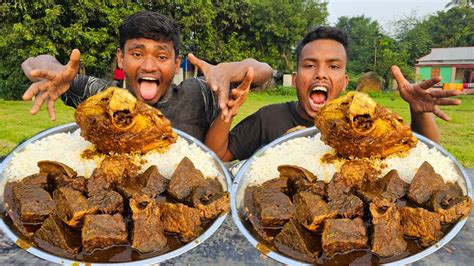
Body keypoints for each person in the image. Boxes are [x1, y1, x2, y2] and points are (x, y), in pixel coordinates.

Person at [205, 26, 462, 162]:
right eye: (309, 65)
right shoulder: (270, 119)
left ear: (345, 81)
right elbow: (218, 156)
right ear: (295, 79)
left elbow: (429, 157)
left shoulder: (366, 123)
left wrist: (419, 113)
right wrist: (227, 113)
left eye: (334, 66)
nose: (320, 74)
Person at [21, 10, 272, 141]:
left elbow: (264, 70)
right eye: (137, 54)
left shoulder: (200, 93)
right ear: (121, 58)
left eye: (161, 57)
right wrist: (52, 69)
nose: (149, 66)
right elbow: (32, 62)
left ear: (176, 64)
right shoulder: (102, 97)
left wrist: (229, 69)